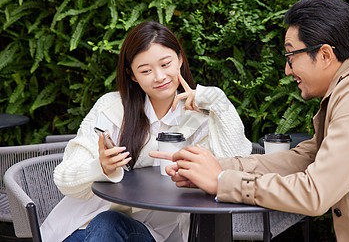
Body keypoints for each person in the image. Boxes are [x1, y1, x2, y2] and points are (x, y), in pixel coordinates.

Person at [150, 0, 349, 241]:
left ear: (325, 55)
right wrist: (208, 168)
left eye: (290, 55)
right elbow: (300, 160)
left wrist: (221, 180)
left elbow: (315, 193)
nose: (287, 70)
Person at [40, 20, 252, 242]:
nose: (159, 77)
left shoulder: (200, 118)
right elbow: (64, 179)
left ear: (180, 59)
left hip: (151, 232)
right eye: (146, 70)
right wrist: (99, 167)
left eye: (166, 64)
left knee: (109, 222)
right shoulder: (112, 108)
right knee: (106, 222)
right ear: (132, 74)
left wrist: (217, 101)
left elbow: (236, 168)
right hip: (82, 227)